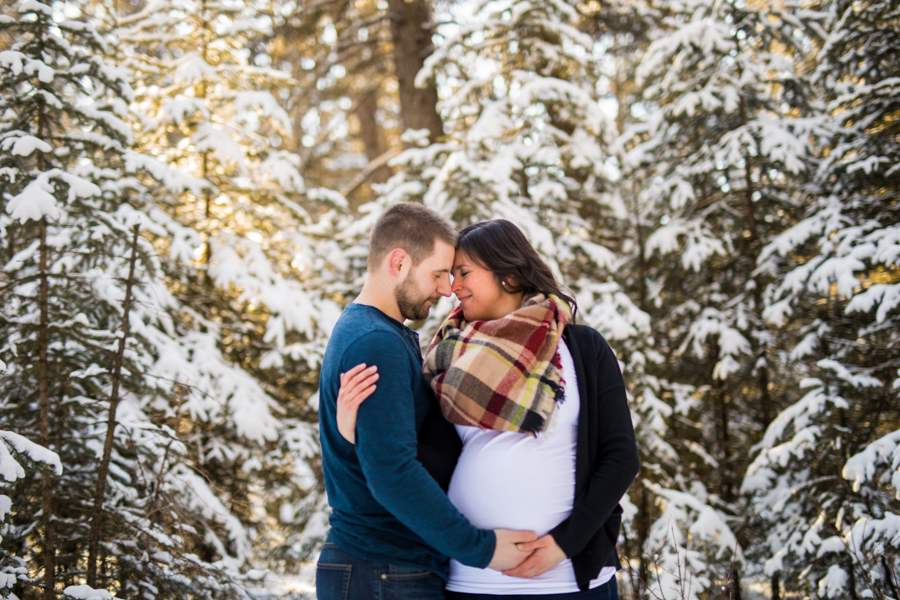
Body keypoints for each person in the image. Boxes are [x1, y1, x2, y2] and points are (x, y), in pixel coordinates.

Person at [336, 218, 641, 599]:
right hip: (473, 580)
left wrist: (565, 543)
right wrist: (357, 434)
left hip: (568, 578)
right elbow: (425, 462)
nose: (452, 288)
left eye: (462, 273)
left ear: (509, 276)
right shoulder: (448, 358)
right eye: (448, 274)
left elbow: (620, 456)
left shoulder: (581, 348)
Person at [316, 204, 537, 600]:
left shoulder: (376, 332)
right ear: (398, 262)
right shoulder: (376, 342)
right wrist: (482, 549)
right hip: (383, 569)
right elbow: (393, 472)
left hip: (384, 568)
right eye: (438, 274)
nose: (446, 288)